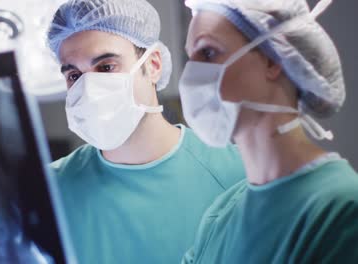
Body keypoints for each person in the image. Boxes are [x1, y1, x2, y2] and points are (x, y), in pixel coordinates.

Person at [46, 0, 245, 263]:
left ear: (152, 65)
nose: (89, 88)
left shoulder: (240, 175)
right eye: (73, 75)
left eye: (106, 67)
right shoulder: (50, 192)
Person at [179, 0, 358, 263]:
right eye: (190, 56)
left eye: (207, 53)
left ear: (273, 59)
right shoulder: (221, 215)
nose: (190, 76)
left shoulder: (340, 209)